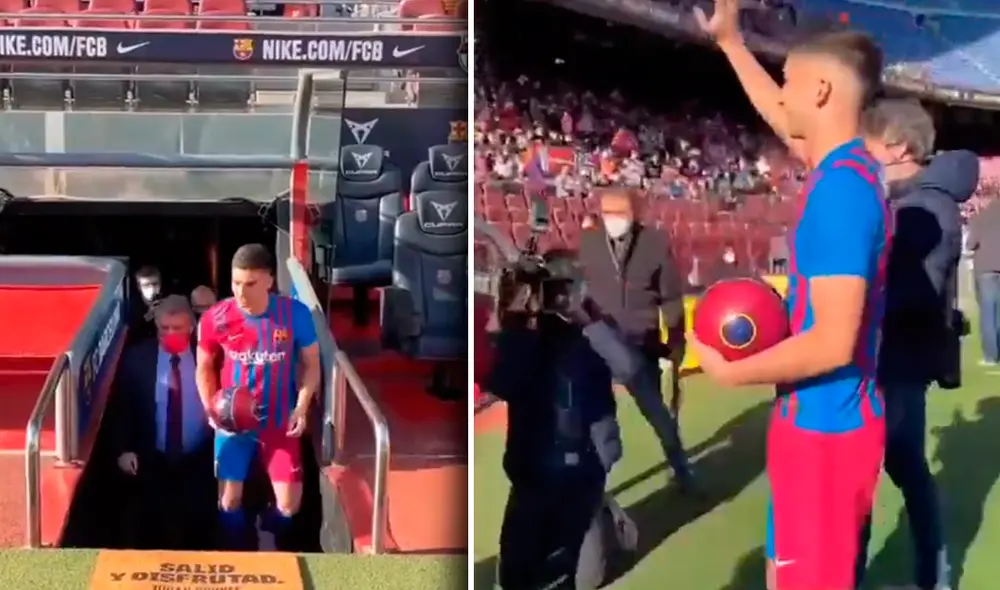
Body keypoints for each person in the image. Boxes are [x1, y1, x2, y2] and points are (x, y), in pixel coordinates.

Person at [692, 2, 891, 589]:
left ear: (822, 90)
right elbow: (784, 120)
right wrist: (730, 43)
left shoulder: (841, 195)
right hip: (816, 426)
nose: (782, 95)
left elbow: (832, 342)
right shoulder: (845, 168)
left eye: (789, 81)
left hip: (826, 438)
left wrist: (731, 374)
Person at [860, 99, 977, 590]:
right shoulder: (921, 202)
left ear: (898, 148)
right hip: (904, 358)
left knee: (869, 474)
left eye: (869, 147)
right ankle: (933, 576)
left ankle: (909, 576)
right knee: (906, 468)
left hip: (897, 360)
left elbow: (915, 292)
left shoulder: (922, 206)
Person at [491, 249, 638, 590]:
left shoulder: (596, 329)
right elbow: (503, 383)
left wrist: (587, 322)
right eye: (552, 289)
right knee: (516, 575)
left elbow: (628, 368)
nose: (558, 297)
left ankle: (605, 514)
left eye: (566, 287)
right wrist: (516, 320)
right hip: (534, 474)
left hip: (586, 473)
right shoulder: (528, 337)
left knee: (586, 580)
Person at [196, 244, 321, 550]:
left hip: (279, 421)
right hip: (233, 424)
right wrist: (211, 409)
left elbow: (312, 365)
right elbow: (204, 366)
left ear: (269, 280)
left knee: (289, 506)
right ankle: (240, 547)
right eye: (236, 283)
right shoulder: (215, 317)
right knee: (228, 500)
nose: (241, 292)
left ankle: (268, 527)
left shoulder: (295, 315)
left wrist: (302, 406)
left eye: (250, 284)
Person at [578, 187, 696, 492]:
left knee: (658, 414)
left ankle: (681, 467)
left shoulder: (655, 243)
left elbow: (670, 297)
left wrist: (676, 339)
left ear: (634, 213)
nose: (614, 219)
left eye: (621, 212)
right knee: (599, 420)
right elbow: (579, 290)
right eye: (608, 213)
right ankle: (595, 488)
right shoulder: (588, 243)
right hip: (598, 345)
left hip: (641, 343)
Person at [110, 294, 215, 550]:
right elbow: (122, 407)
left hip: (199, 459)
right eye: (164, 328)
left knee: (199, 528)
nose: (169, 333)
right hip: (151, 459)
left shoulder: (211, 357)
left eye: (176, 328)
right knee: (152, 528)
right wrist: (122, 450)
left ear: (191, 328)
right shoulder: (137, 359)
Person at [967, 192, 1000, 365]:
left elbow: (970, 244)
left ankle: (991, 356)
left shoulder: (982, 217)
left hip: (986, 268)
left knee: (988, 313)